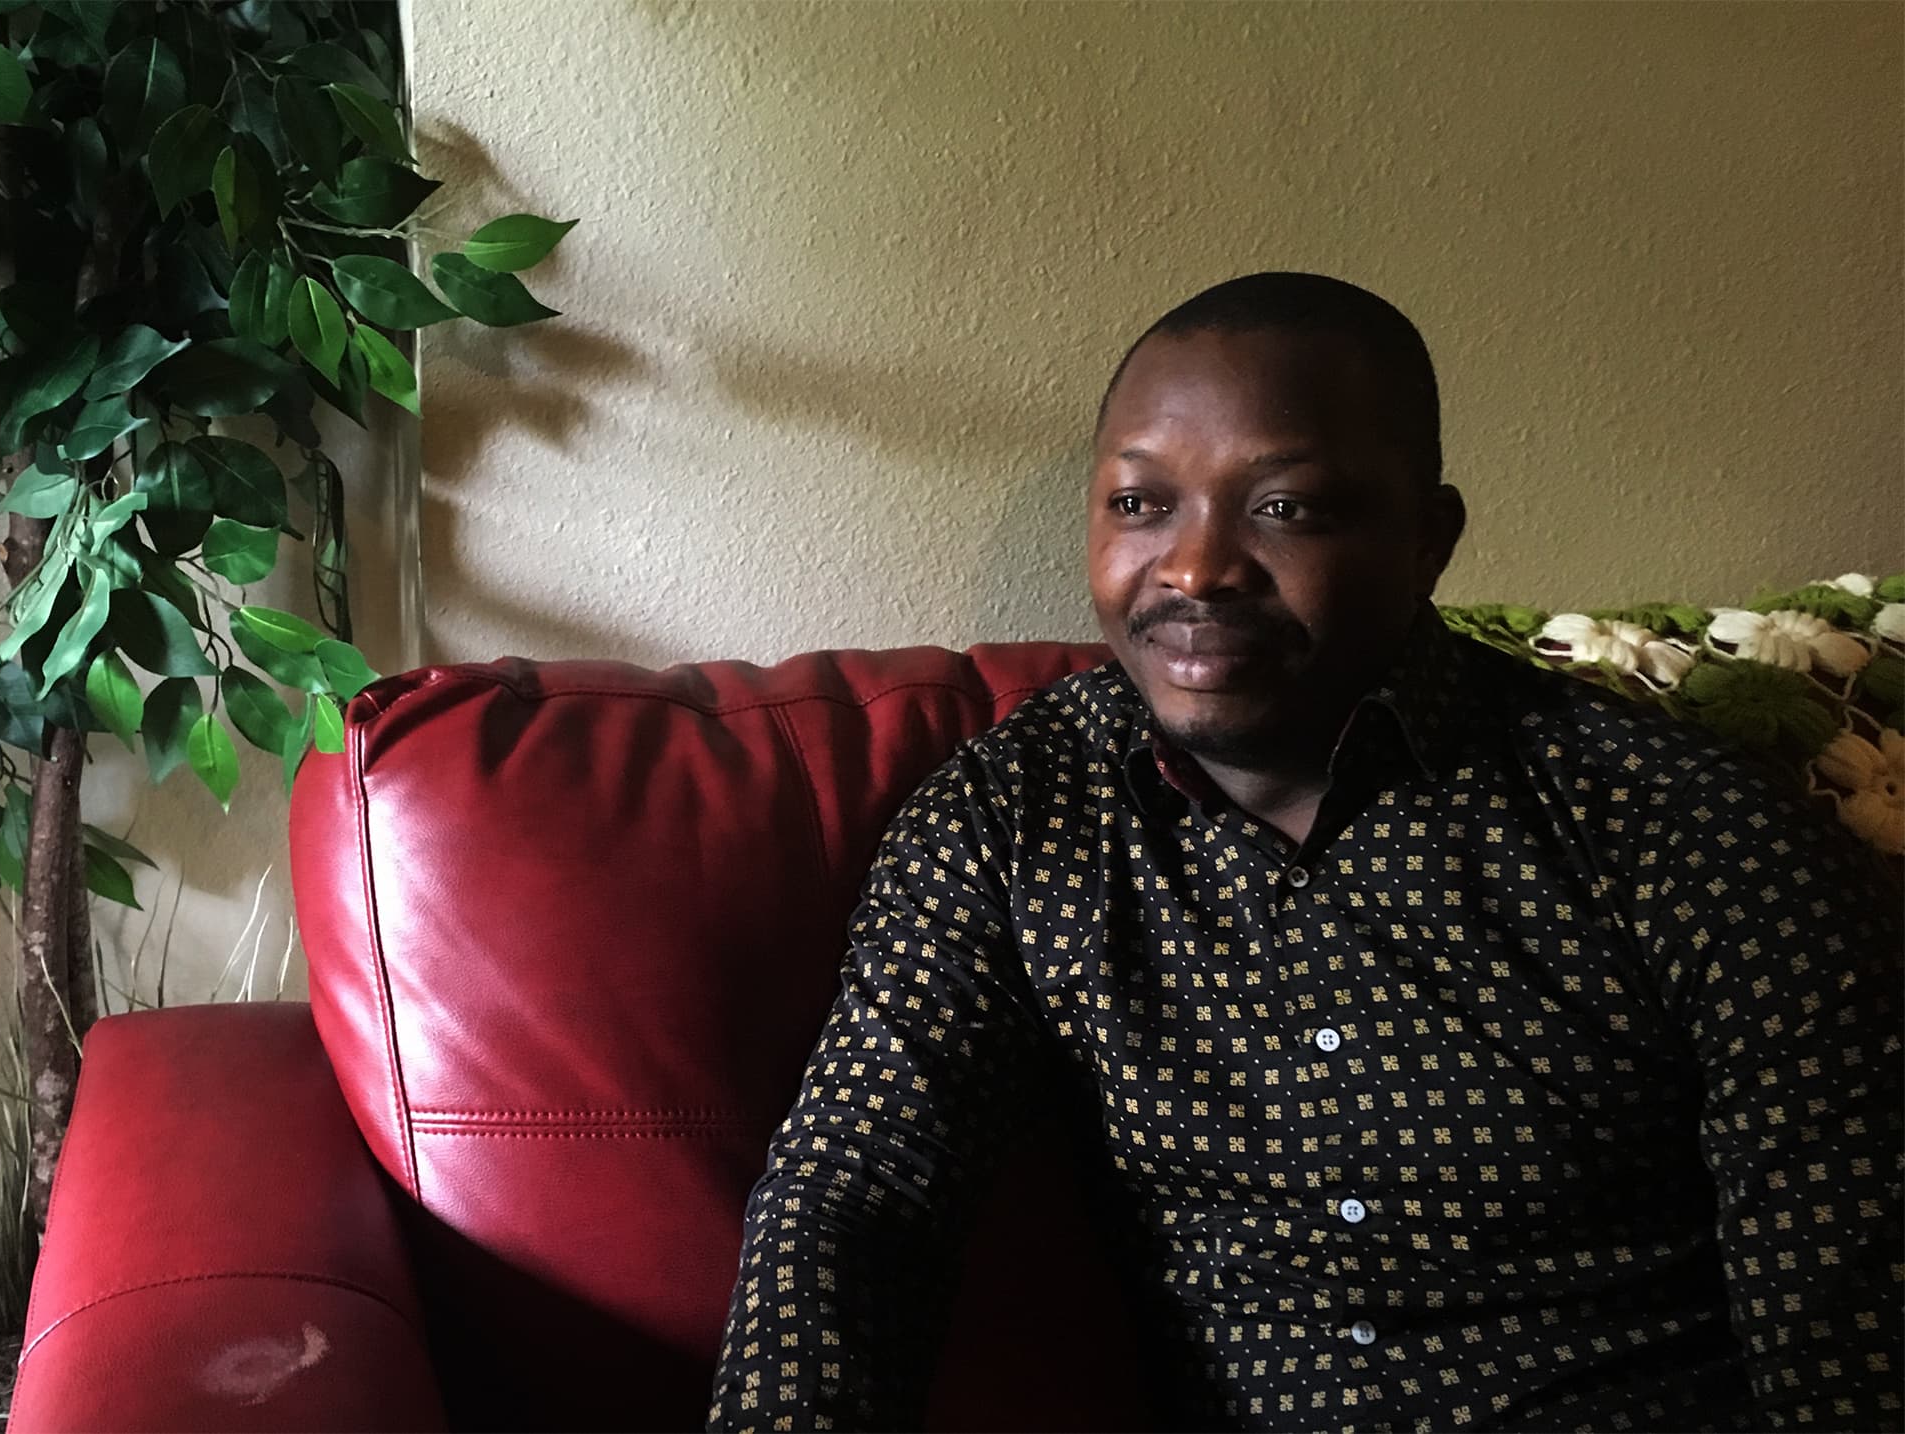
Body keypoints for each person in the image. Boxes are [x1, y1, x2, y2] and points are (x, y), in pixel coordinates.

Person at [705, 273, 1903, 1432]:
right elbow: (858, 1197)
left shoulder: (1677, 832)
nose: (1191, 567)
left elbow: (1848, 1324)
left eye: (1284, 508)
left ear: (1427, 540)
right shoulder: (1011, 821)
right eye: (1139, 504)